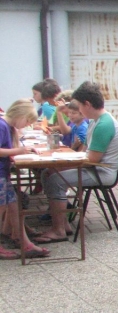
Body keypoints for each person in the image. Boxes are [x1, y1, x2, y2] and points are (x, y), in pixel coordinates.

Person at [35, 81, 118, 244]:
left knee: (55, 180)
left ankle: (59, 230)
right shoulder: (97, 120)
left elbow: (92, 160)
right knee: (48, 173)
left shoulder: (103, 124)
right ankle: (63, 224)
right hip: (95, 168)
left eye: (80, 107)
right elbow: (89, 156)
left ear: (87, 104)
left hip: (101, 172)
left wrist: (62, 161)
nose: (79, 111)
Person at [0, 99, 51, 259]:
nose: (27, 125)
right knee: (3, 207)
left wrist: (21, 148)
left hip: (3, 173)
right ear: (21, 115)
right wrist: (18, 151)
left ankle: (23, 240)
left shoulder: (7, 126)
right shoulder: (2, 126)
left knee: (13, 205)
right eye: (27, 121)